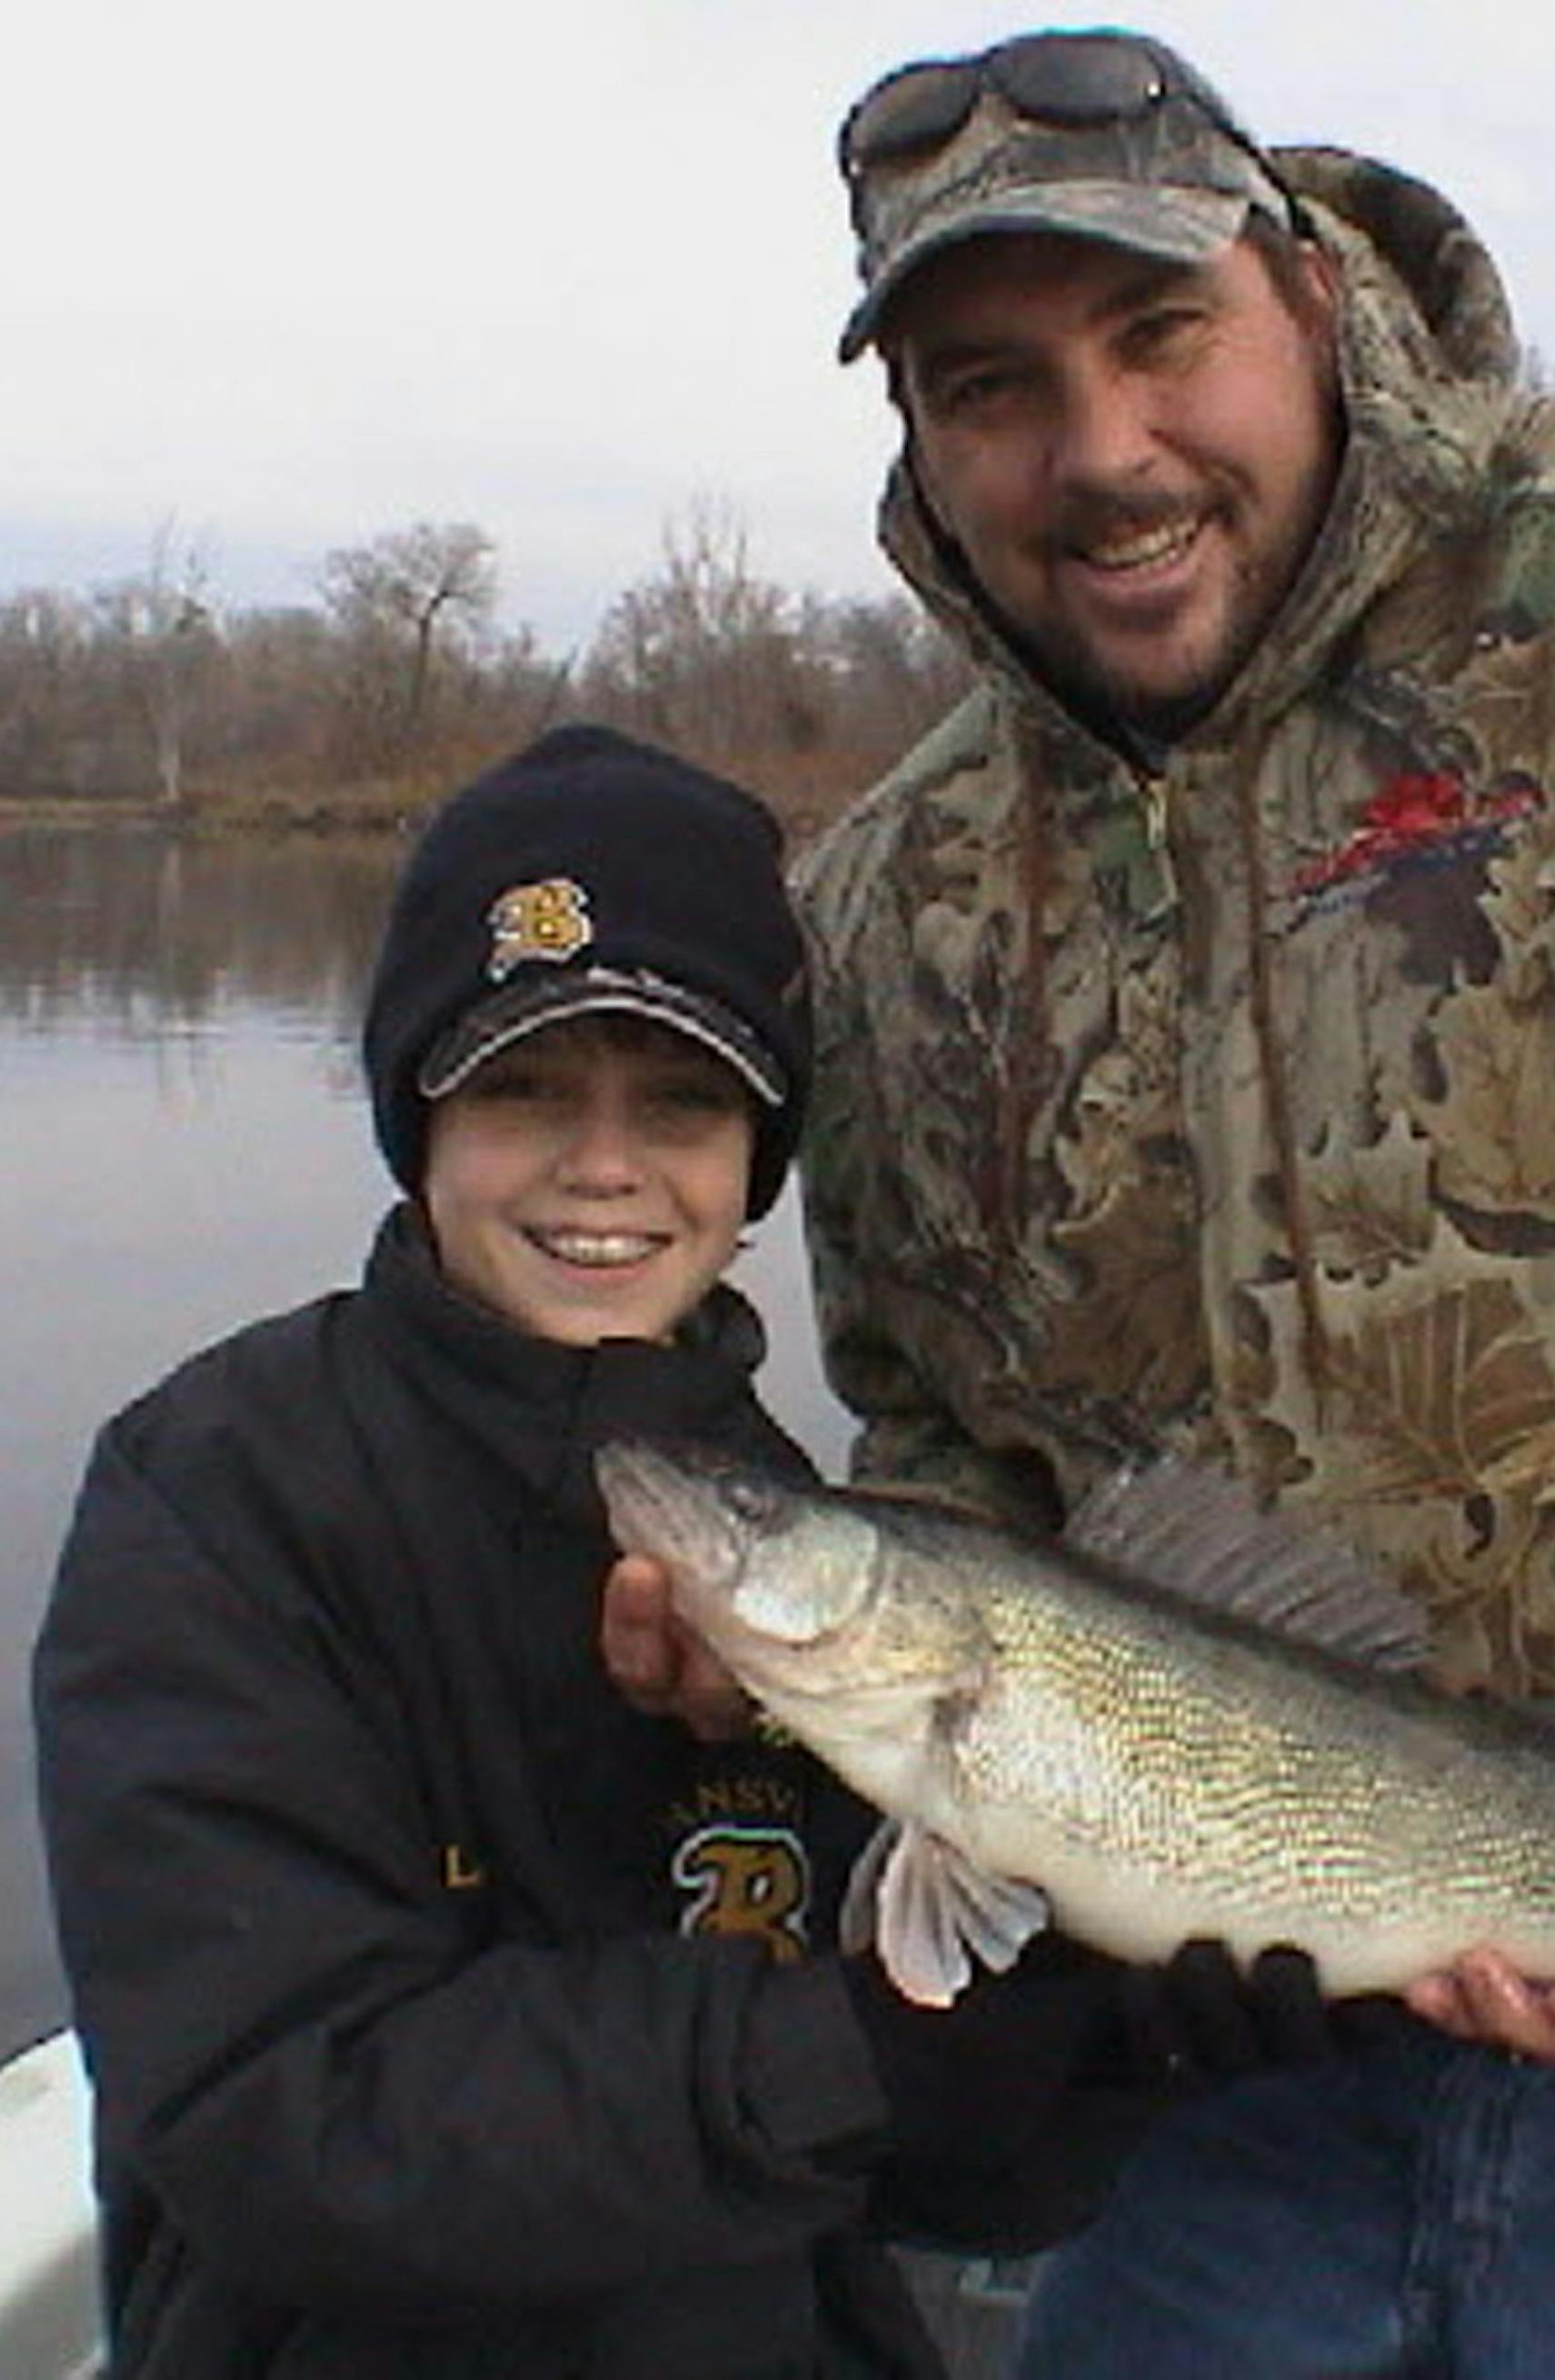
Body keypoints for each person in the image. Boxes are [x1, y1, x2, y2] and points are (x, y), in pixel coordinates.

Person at [794, 25, 1555, 2379]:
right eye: (991, 383)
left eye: (1159, 335)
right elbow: (942, 1453)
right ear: (914, 433)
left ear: (1310, 292)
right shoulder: (900, 902)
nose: (1102, 453)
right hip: (1246, 2086)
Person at [33, 720, 1211, 2379]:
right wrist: (844, 2055)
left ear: (754, 1166)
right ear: (418, 1124)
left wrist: (1107, 2045)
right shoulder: (224, 1493)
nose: (604, 1167)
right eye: (520, 1088)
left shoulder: (816, 1551)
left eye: (680, 1103)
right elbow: (284, 2123)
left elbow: (949, 2177)